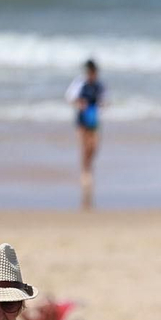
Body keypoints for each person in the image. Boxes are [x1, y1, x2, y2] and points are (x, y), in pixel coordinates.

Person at [65, 59, 104, 209]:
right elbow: (69, 97)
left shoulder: (99, 85)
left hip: (94, 119)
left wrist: (100, 106)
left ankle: (88, 168)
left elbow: (104, 100)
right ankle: (85, 172)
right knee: (84, 146)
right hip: (82, 119)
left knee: (93, 146)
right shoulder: (79, 83)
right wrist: (79, 103)